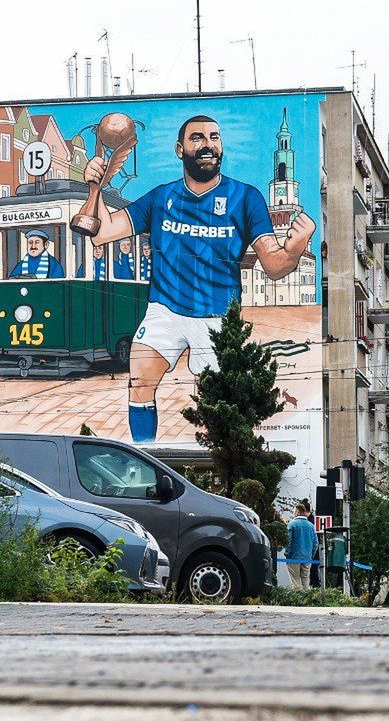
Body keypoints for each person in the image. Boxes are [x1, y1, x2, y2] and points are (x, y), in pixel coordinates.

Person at [81, 114, 315, 443]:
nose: (208, 144)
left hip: (218, 316)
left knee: (216, 401)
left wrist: (294, 249)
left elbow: (274, 266)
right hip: (165, 309)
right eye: (197, 138)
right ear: (180, 149)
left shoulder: (246, 198)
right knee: (140, 381)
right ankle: (145, 457)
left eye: (214, 137)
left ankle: (217, 464)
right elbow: (103, 232)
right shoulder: (161, 198)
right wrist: (97, 188)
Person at [284, 500, 318, 587]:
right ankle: (307, 599)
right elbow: (315, 543)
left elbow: (288, 541)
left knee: (295, 581)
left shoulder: (291, 525)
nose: (293, 512)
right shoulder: (312, 526)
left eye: (294, 511)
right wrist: (311, 555)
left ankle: (298, 600)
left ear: (298, 512)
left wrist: (287, 554)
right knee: (306, 580)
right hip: (307, 557)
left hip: (293, 557)